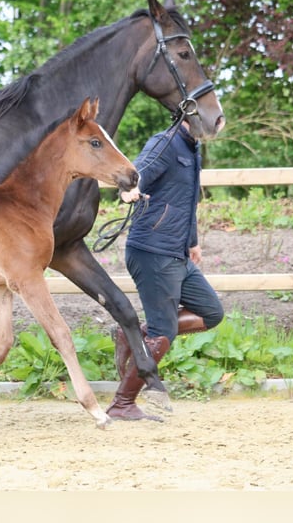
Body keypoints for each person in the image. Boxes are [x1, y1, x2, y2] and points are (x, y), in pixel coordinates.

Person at [106, 119, 224, 421]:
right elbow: (140, 170)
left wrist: (192, 242)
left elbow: (186, 201)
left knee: (211, 312)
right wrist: (129, 189)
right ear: (186, 113)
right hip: (153, 251)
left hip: (176, 251)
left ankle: (130, 335)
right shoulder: (165, 142)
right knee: (164, 331)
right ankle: (122, 403)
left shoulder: (191, 147)